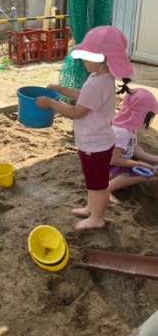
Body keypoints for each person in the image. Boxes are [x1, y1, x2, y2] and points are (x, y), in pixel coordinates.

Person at [37, 26, 134, 230]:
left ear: (103, 59)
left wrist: (51, 103)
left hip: (95, 145)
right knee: (93, 180)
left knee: (98, 184)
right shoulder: (99, 77)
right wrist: (61, 89)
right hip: (96, 142)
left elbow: (77, 112)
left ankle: (97, 218)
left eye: (87, 56)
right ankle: (92, 208)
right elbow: (84, 96)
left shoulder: (99, 83)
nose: (83, 60)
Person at [108, 87, 158, 202]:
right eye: (149, 116)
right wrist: (139, 164)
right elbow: (113, 160)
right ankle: (106, 189)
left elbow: (136, 150)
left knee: (152, 173)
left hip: (120, 166)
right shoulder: (121, 132)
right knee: (134, 174)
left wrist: (155, 159)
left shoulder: (130, 129)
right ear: (140, 115)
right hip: (107, 168)